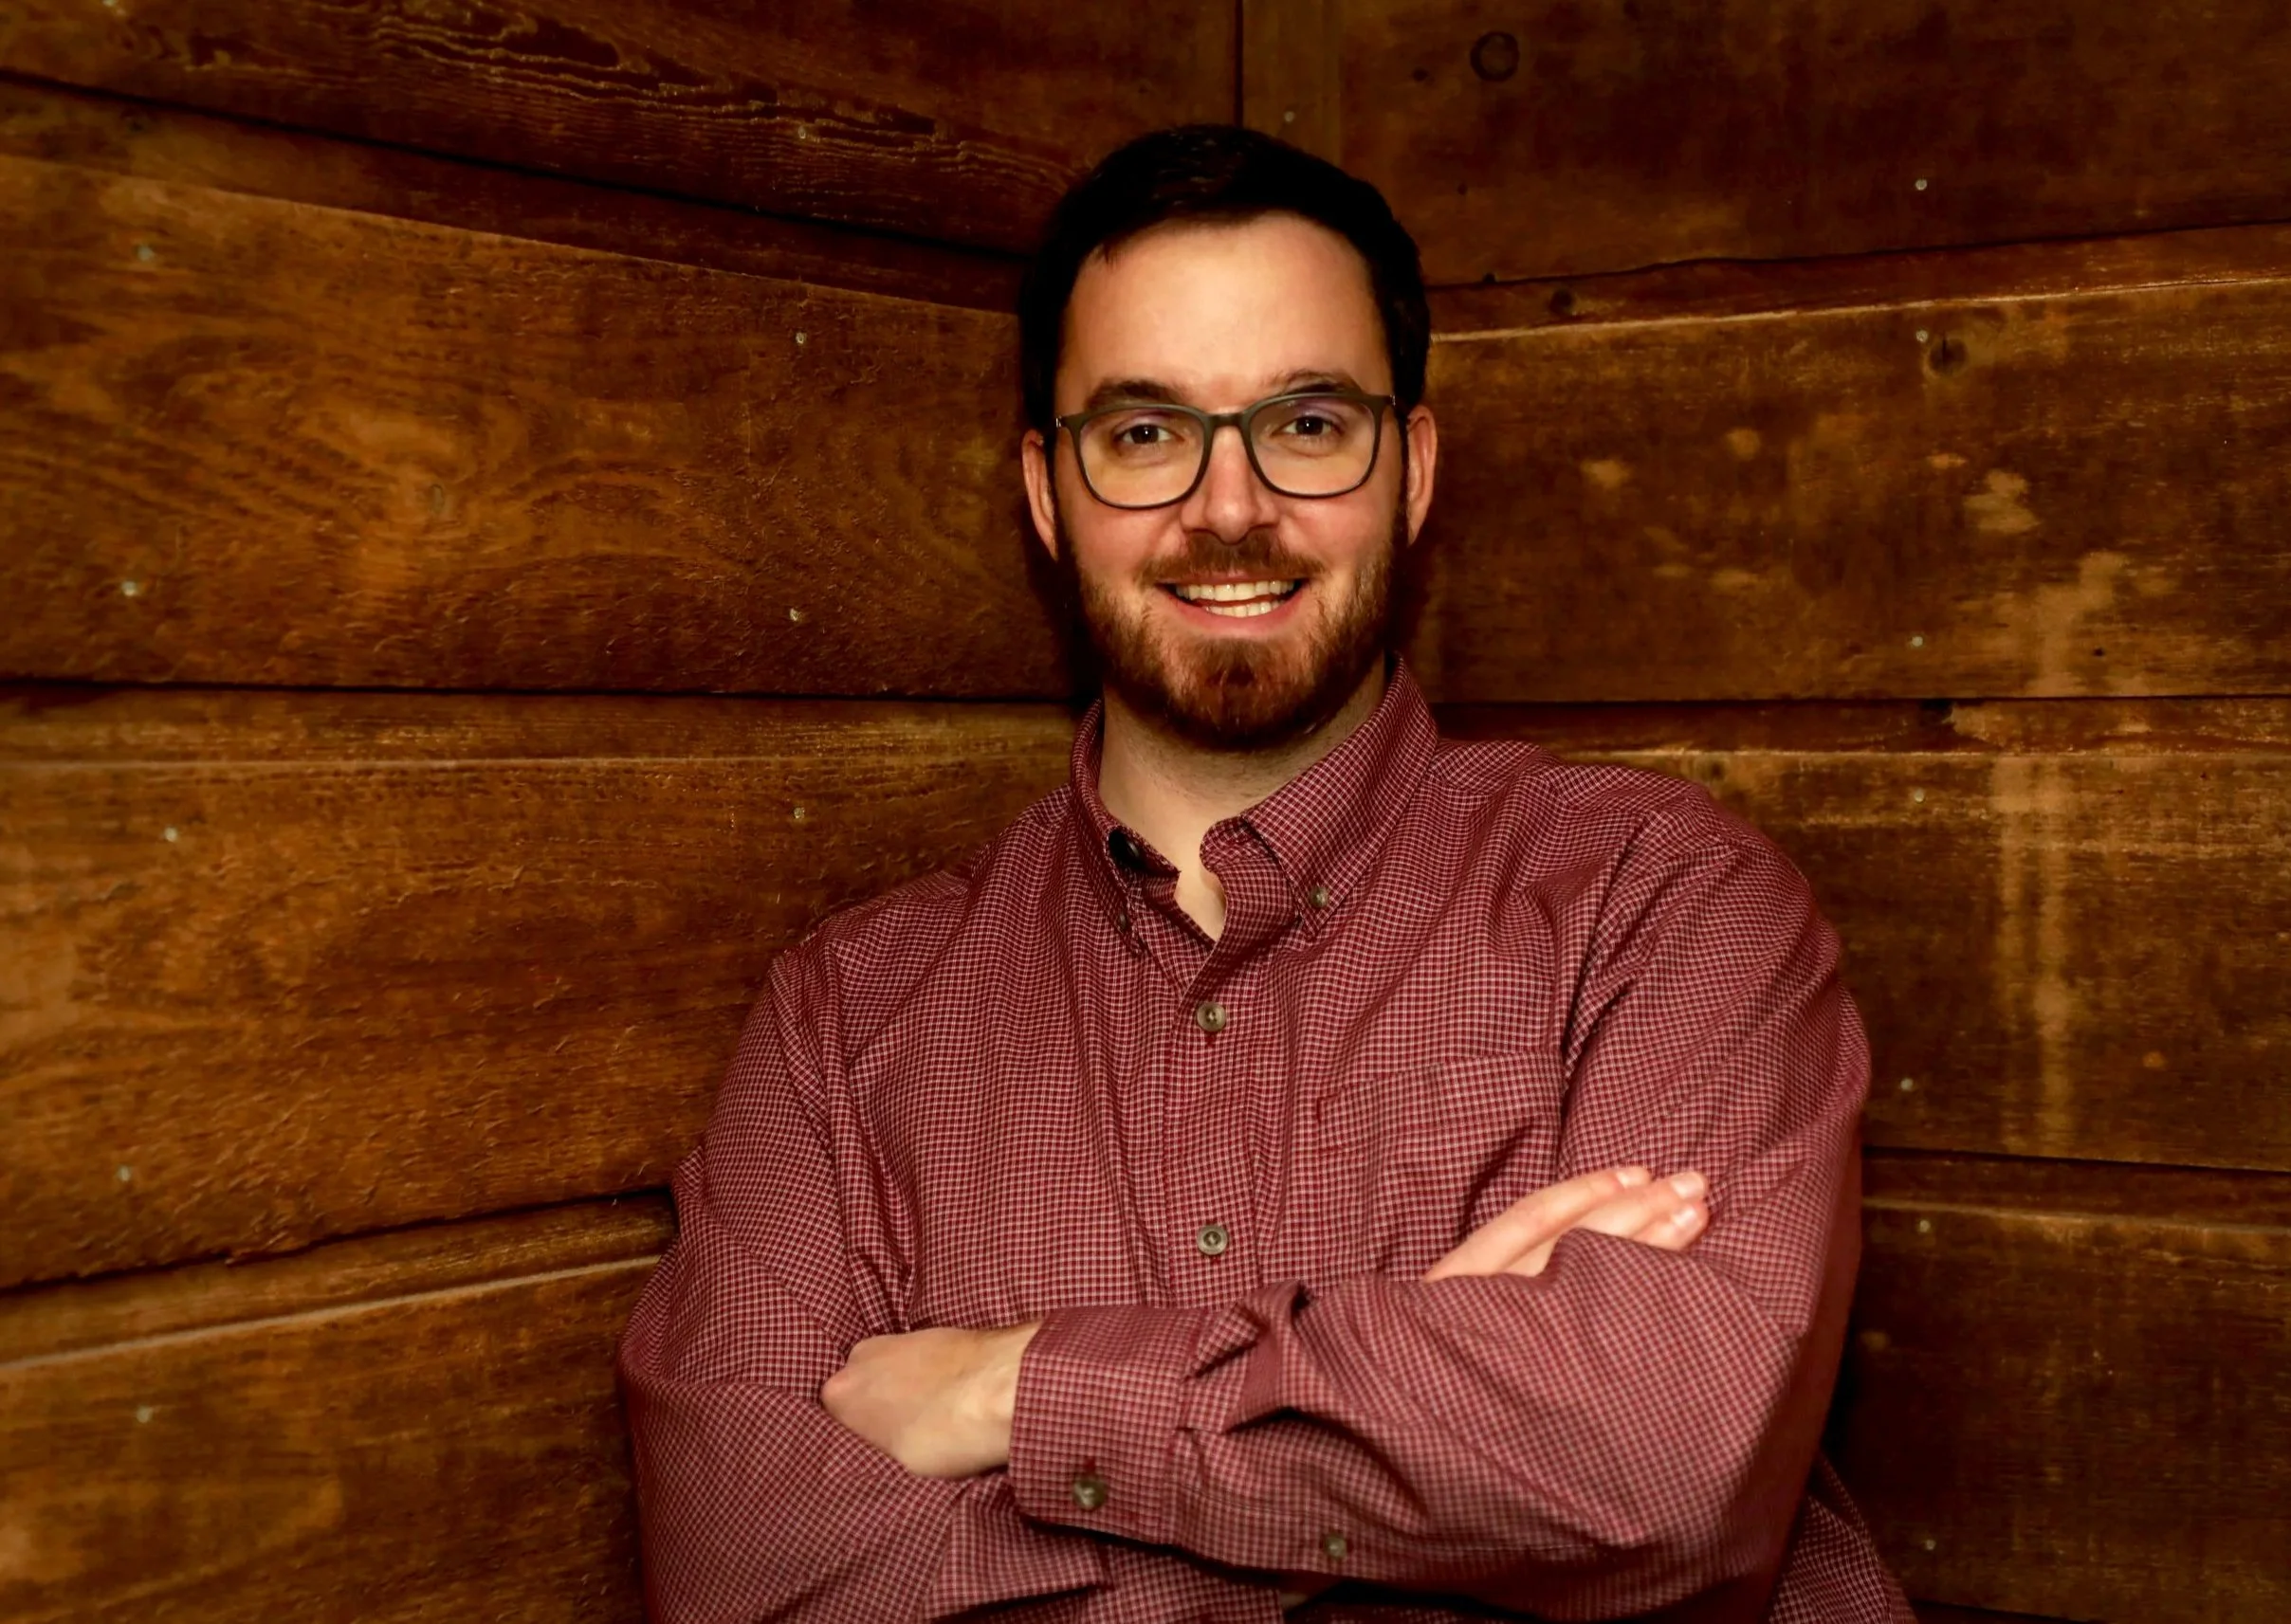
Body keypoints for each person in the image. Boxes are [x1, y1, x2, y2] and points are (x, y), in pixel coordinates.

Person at [618, 125, 1913, 1622]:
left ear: (1412, 469)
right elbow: (750, 1579)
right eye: (1147, 432)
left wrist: (1013, 1393)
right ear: (1048, 495)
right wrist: (1433, 1461)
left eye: (1304, 424)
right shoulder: (845, 1026)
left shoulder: (1664, 909)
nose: (1229, 510)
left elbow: (1667, 1474)